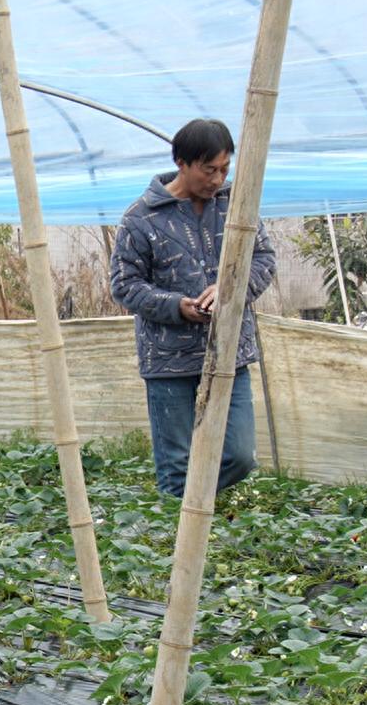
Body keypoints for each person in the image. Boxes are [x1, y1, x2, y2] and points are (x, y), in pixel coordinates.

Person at [109, 118, 277, 498]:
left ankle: (195, 518)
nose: (217, 179)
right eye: (209, 169)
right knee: (177, 466)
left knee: (239, 455)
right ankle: (178, 542)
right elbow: (124, 285)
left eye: (224, 169)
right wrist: (177, 306)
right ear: (182, 163)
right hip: (168, 359)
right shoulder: (141, 218)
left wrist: (231, 289)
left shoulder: (236, 205)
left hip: (228, 352)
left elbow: (264, 259)